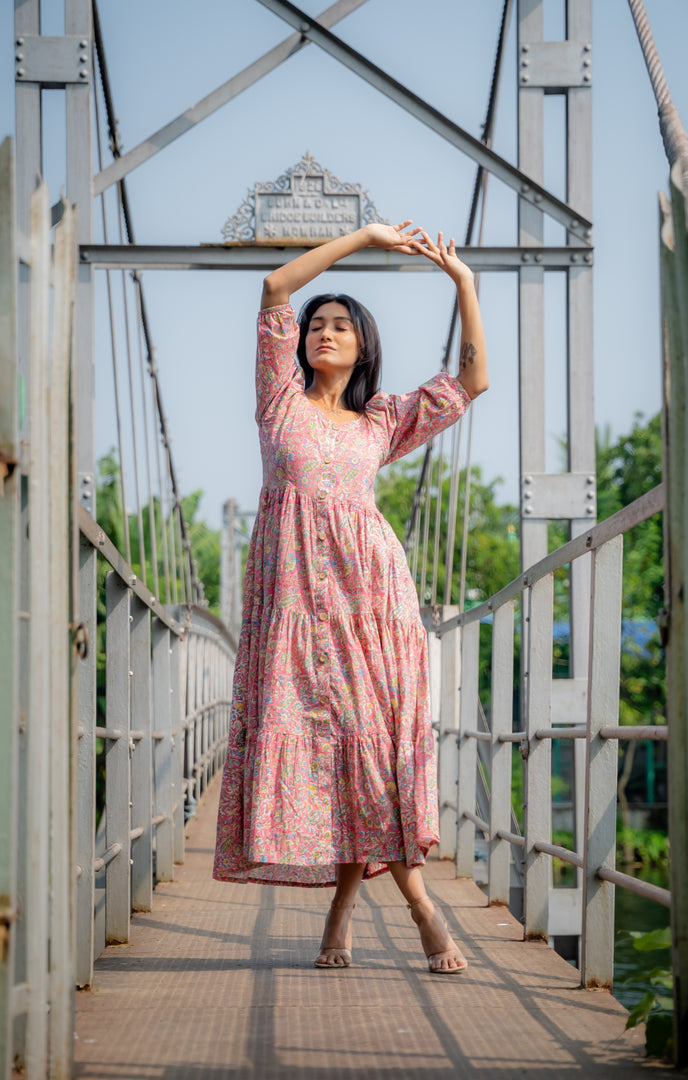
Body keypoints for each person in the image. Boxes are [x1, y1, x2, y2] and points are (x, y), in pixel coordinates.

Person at [213, 220, 488, 974]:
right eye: (316, 327)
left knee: (372, 757)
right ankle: (348, 911)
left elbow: (470, 383)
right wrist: (364, 236)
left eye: (341, 326)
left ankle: (415, 908)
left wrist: (463, 284)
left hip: (374, 606)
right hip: (296, 608)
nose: (323, 333)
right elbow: (275, 288)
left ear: (364, 345)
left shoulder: (381, 421)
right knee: (334, 760)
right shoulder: (279, 404)